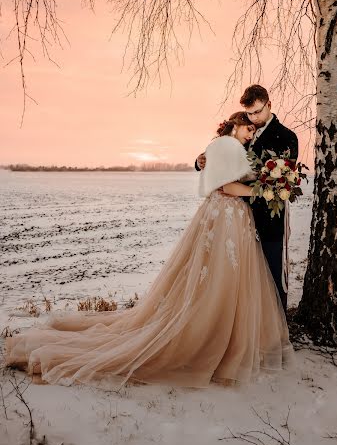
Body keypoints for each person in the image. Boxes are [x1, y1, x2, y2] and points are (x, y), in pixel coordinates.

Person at [5, 112, 293, 390]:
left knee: (224, 278)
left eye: (254, 129)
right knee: (222, 277)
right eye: (249, 128)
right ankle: (217, 336)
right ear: (237, 125)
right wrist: (262, 190)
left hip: (228, 217)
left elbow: (223, 173)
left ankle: (229, 334)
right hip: (227, 215)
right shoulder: (228, 145)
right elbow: (226, 186)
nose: (252, 133)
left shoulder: (224, 145)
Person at [196, 86, 298, 310]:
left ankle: (277, 326)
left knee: (272, 276)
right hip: (237, 218)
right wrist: (202, 159)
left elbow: (283, 178)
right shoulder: (242, 129)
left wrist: (252, 188)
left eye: (258, 112)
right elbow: (222, 152)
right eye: (250, 113)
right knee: (239, 277)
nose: (254, 118)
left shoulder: (286, 137)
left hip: (268, 218)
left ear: (269, 105)